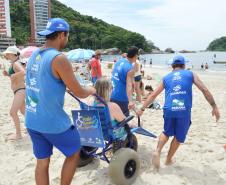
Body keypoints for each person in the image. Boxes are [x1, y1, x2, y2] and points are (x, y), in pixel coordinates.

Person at [25, 18, 96, 185]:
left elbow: (45, 80)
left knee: (42, 162)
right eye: (67, 36)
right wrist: (91, 90)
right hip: (51, 121)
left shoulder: (35, 54)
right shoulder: (59, 58)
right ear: (62, 35)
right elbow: (80, 92)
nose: (67, 39)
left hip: (32, 119)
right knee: (74, 152)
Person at [137, 55, 220, 169]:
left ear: (172, 66)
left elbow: (153, 94)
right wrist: (214, 106)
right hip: (182, 108)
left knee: (166, 132)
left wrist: (142, 109)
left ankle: (157, 151)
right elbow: (204, 89)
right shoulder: (190, 74)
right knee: (179, 136)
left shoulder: (166, 77)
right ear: (184, 65)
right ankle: (168, 159)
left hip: (169, 108)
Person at [2, 46, 25, 140]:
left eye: (7, 53)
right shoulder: (14, 63)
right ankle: (33, 129)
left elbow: (23, 72)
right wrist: (8, 75)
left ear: (13, 54)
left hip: (20, 90)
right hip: (19, 90)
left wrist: (13, 75)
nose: (6, 55)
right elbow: (15, 76)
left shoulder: (16, 64)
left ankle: (18, 134)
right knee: (24, 112)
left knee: (12, 112)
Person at [110, 46, 139, 117]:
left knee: (114, 117)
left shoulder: (119, 61)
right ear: (135, 55)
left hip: (112, 94)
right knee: (124, 120)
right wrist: (130, 101)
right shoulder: (129, 69)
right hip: (122, 97)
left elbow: (112, 72)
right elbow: (129, 85)